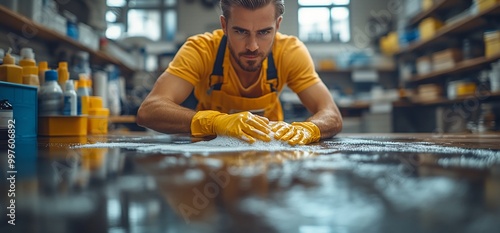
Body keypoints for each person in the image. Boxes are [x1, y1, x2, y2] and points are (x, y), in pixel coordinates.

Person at [137, 0, 343, 145]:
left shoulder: (290, 52)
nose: (252, 46)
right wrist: (216, 122)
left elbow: (331, 114)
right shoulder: (201, 50)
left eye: (264, 32)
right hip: (207, 158)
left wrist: (307, 129)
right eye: (241, 31)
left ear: (277, 25)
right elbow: (149, 110)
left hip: (271, 157)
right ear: (224, 26)